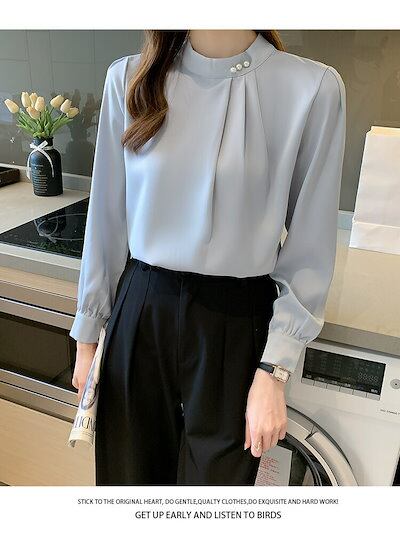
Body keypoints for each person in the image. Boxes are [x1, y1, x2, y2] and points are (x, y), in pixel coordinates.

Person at [70, 29, 346, 486]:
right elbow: (106, 221)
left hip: (237, 321)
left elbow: (309, 248)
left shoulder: (312, 89)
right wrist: (87, 340)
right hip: (141, 309)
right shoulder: (129, 77)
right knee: (129, 485)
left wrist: (274, 370)